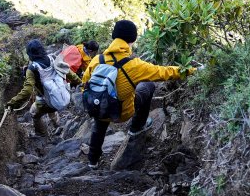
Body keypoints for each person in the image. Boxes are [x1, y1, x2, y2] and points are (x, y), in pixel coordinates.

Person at [81, 20, 196, 168]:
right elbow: (164, 72)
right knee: (147, 85)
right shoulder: (135, 65)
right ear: (132, 40)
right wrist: (191, 70)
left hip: (97, 108)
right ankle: (136, 127)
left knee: (99, 126)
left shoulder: (97, 59)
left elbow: (85, 84)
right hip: (122, 113)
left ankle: (92, 162)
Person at [7, 39, 82, 137]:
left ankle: (42, 135)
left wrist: (12, 104)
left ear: (30, 53)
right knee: (51, 104)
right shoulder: (53, 58)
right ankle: (57, 125)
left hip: (46, 102)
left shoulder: (32, 69)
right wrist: (80, 83)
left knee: (34, 113)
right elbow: (69, 73)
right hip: (62, 94)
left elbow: (27, 91)